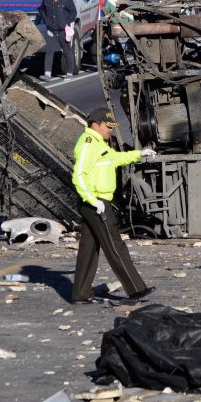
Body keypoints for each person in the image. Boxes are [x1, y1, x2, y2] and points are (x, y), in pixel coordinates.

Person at [71, 107, 157, 305]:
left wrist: (138, 154)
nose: (110, 129)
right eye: (107, 126)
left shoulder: (99, 143)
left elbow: (115, 158)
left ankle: (81, 293)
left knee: (89, 248)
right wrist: (93, 200)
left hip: (96, 202)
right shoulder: (88, 144)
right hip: (96, 203)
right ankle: (136, 289)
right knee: (115, 244)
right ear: (95, 125)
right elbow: (79, 175)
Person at [37, 0, 77, 81]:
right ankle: (47, 74)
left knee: (67, 51)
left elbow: (73, 12)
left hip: (63, 30)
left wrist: (67, 23)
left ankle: (69, 73)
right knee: (49, 51)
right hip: (51, 29)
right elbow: (41, 9)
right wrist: (46, 21)